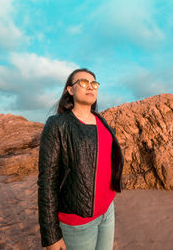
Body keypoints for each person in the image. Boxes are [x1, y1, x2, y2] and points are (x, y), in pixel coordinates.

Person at [37, 68, 124, 250]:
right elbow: (47, 180)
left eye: (94, 83)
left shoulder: (103, 122)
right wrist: (50, 235)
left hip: (107, 211)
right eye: (83, 82)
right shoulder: (58, 124)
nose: (90, 87)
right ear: (70, 90)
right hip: (77, 221)